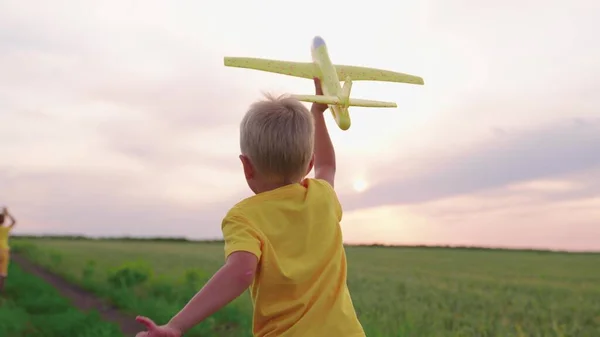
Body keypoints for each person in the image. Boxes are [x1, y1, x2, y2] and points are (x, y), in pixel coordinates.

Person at [135, 79, 366, 337]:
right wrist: (317, 114)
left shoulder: (244, 217)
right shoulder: (322, 196)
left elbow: (242, 271)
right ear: (308, 163)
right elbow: (328, 166)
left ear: (246, 166)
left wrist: (176, 325)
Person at [0, 207, 17, 292]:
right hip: (4, 251)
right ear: (3, 221)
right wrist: (7, 214)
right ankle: (1, 290)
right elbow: (14, 222)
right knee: (3, 272)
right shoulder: (5, 229)